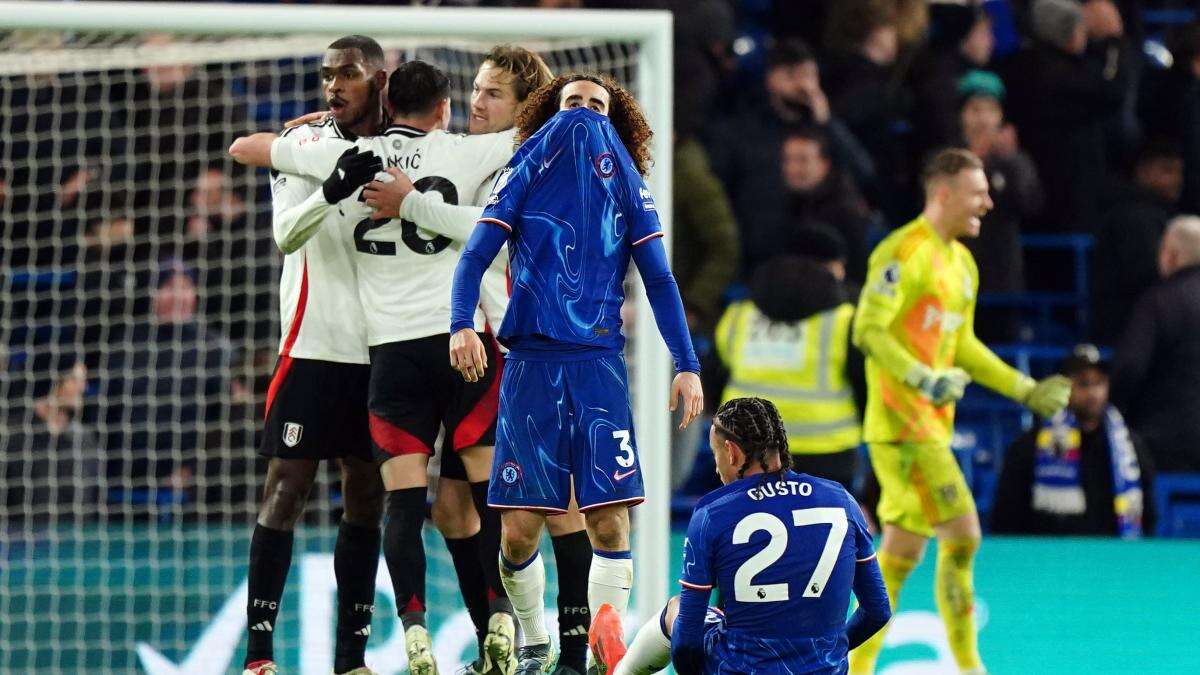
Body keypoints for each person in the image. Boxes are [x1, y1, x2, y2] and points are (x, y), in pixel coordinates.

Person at [237, 60, 523, 675]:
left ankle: (409, 631)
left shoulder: (359, 154)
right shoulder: (470, 153)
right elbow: (527, 151)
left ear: (386, 100)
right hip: (459, 343)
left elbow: (247, 147)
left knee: (397, 502)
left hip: (388, 355)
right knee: (482, 494)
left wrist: (294, 141)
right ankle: (508, 622)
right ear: (443, 109)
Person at [448, 73, 704, 675]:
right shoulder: (522, 176)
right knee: (516, 533)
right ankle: (536, 642)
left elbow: (661, 282)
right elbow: (474, 257)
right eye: (572, 104)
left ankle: (600, 656)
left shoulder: (630, 191)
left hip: (597, 368)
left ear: (616, 125)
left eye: (596, 106)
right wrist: (461, 324)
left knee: (610, 518)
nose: (584, 115)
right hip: (531, 366)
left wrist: (687, 364)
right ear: (547, 115)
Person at [361, 47, 598, 675]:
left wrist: (411, 202)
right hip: (501, 347)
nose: (476, 101)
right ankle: (508, 643)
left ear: (525, 110)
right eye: (475, 88)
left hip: (545, 348)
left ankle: (567, 651)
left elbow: (495, 228)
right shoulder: (485, 157)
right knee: (454, 509)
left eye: (492, 93)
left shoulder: (540, 160)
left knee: (556, 502)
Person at [848, 149, 1071, 674]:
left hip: (929, 426)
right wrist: (922, 378)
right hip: (904, 422)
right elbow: (867, 329)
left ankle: (853, 665)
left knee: (901, 552)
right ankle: (970, 667)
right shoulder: (903, 251)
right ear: (943, 193)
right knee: (963, 533)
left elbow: (962, 344)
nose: (989, 203)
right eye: (977, 192)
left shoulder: (962, 263)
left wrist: (1025, 389)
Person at [230, 35, 388, 675]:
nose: (333, 86)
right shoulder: (302, 146)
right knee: (286, 487)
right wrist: (330, 189)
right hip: (313, 344)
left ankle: (351, 660)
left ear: (379, 78)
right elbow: (283, 233)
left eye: (347, 74)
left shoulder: (406, 147)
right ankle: (260, 656)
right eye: (327, 75)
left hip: (381, 349)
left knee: (366, 496)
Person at [604, 397, 890, 675]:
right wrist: (828, 654)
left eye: (716, 454)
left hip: (738, 668)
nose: (716, 467)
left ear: (731, 452)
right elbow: (878, 611)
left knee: (677, 609)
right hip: (824, 667)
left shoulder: (713, 513)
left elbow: (687, 642)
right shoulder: (840, 500)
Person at [705, 38, 875, 276]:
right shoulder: (743, 131)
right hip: (760, 258)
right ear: (771, 79)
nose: (803, 85)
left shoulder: (825, 128)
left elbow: (863, 172)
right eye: (792, 75)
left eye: (809, 75)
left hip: (819, 256)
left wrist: (828, 123)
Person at [715, 254, 866, 493]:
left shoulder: (737, 315)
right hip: (827, 448)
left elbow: (714, 373)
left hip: (746, 446)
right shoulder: (843, 320)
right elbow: (863, 383)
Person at [993, 344, 1153, 536]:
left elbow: (1147, 512)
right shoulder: (1031, 447)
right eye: (1083, 383)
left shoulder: (1127, 447)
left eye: (1099, 382)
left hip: (1112, 557)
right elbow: (1006, 517)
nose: (1092, 393)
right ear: (1063, 387)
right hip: (1048, 557)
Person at [956, 69, 1043, 343]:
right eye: (974, 109)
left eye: (990, 110)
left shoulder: (1015, 161)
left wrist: (1010, 162)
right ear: (962, 116)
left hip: (1001, 279)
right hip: (954, 277)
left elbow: (1031, 205)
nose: (982, 119)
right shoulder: (945, 160)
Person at [1110, 216, 1200, 473]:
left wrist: (1113, 413)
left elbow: (1129, 368)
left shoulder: (1159, 301)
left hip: (1166, 444)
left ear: (1171, 256)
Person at [1090, 140, 1183, 344]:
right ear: (1143, 172)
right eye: (1167, 171)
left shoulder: (1159, 214)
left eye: (1179, 172)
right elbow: (1146, 275)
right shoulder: (1134, 217)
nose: (1176, 180)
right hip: (1125, 326)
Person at [780, 126, 876, 285]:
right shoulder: (785, 202)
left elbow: (859, 273)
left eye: (802, 160)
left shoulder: (845, 211)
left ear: (824, 164)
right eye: (787, 159)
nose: (792, 168)